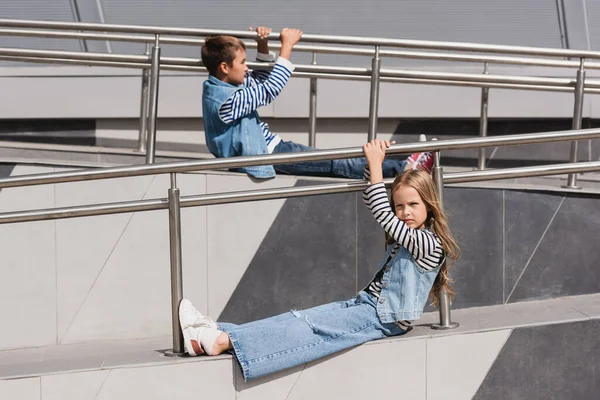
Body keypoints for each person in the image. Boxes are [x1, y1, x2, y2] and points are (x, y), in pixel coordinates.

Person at [178, 138, 460, 382]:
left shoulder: (427, 242)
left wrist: (376, 164)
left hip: (383, 318)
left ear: (429, 205)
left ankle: (219, 342)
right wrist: (372, 162)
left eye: (413, 205)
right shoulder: (409, 232)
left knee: (306, 331)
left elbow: (381, 213)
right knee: (301, 318)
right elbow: (371, 198)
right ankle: (212, 332)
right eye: (399, 205)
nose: (404, 212)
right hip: (367, 307)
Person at [201, 26, 433, 179]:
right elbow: (270, 89)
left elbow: (259, 80)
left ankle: (405, 159)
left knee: (336, 160)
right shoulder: (228, 101)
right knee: (336, 163)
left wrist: (262, 45)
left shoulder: (221, 87)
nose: (247, 66)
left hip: (272, 147)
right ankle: (405, 169)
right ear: (224, 67)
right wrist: (287, 46)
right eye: (242, 62)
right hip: (268, 154)